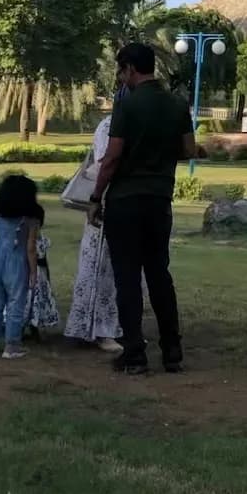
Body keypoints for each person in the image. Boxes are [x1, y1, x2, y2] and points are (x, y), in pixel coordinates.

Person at [90, 42, 195, 375]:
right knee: (159, 276)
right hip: (159, 200)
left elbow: (112, 158)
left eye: (121, 71)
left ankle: (134, 353)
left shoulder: (127, 106)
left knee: (128, 279)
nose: (120, 78)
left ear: (130, 69)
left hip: (125, 201)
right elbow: (189, 150)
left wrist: (95, 198)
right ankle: (172, 351)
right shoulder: (178, 105)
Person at [64, 113, 124, 352]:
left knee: (118, 269)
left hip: (121, 202)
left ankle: (111, 327)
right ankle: (98, 329)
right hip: (106, 203)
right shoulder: (110, 125)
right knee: (101, 266)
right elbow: (104, 163)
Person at [0, 175, 39, 360]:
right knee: (16, 304)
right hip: (17, 265)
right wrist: (33, 272)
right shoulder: (30, 221)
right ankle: (12, 345)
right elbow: (31, 249)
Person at [25, 204, 60, 340]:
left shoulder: (40, 240)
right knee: (30, 303)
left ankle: (33, 329)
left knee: (34, 303)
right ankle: (26, 329)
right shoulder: (32, 240)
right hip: (33, 276)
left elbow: (44, 261)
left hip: (38, 278)